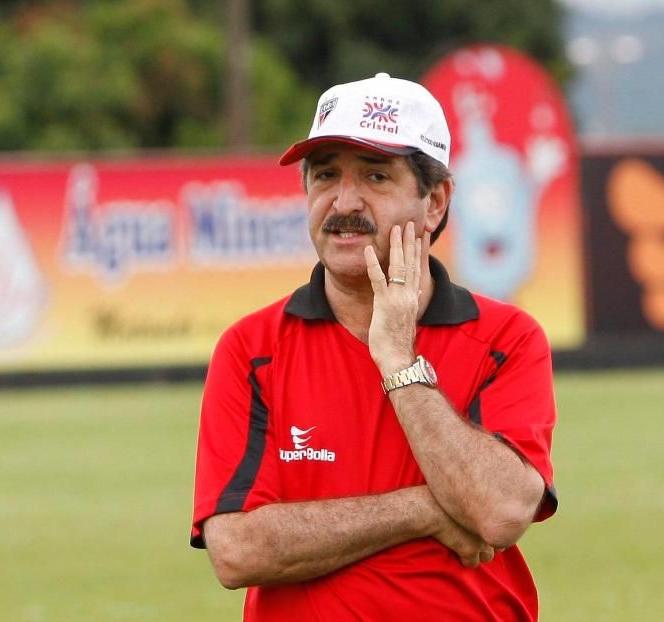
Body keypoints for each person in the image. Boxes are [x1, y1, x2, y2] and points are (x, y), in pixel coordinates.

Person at [190, 72, 559, 621]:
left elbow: (501, 511)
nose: (343, 201)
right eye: (325, 176)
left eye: (375, 176)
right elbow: (237, 550)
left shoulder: (506, 339)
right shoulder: (252, 349)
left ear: (434, 202)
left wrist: (399, 361)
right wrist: (424, 510)